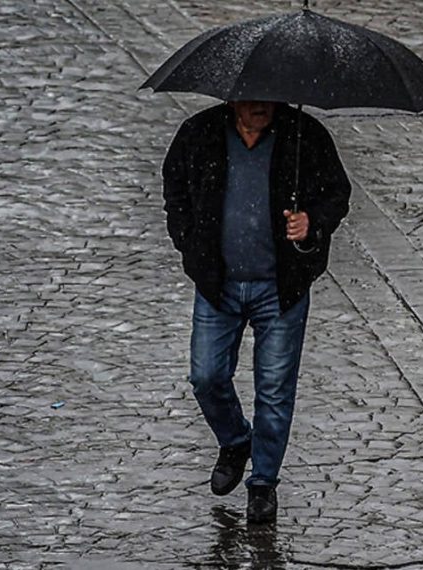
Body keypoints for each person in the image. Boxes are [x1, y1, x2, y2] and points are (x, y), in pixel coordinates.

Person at [160, 100, 351, 524]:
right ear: (232, 99)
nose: (260, 105)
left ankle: (263, 483)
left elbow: (337, 194)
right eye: (251, 96)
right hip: (218, 286)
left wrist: (311, 222)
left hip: (280, 288)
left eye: (268, 96)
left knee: (275, 390)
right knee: (206, 375)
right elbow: (175, 192)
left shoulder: (305, 136)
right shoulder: (200, 133)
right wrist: (190, 247)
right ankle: (234, 440)